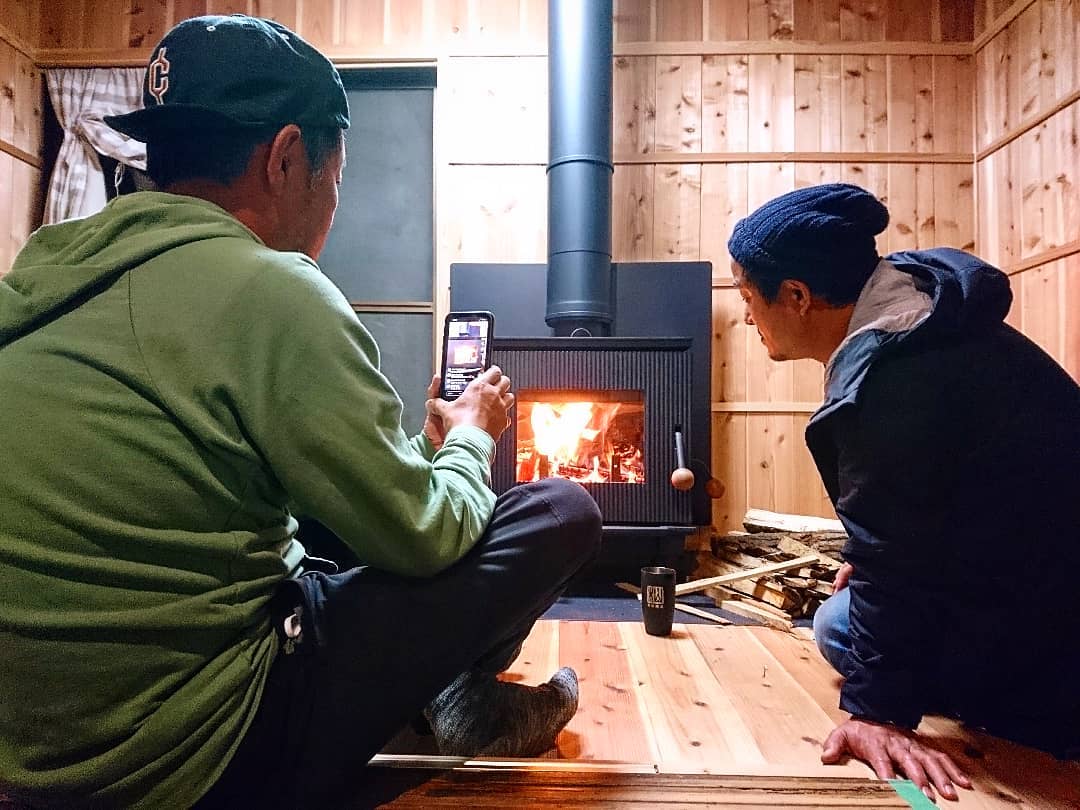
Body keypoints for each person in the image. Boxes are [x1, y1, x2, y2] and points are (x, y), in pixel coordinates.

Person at [0, 15, 601, 809]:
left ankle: (452, 691)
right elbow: (422, 539)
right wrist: (469, 439)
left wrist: (415, 456)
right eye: (338, 173)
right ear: (288, 159)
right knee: (560, 509)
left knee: (336, 516)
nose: (336, 198)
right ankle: (455, 707)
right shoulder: (273, 289)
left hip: (31, 750)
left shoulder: (45, 270)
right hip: (197, 756)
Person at [726, 183, 1080, 802]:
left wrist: (877, 716)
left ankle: (1028, 714)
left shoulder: (892, 380)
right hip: (1034, 581)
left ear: (798, 296)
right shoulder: (925, 325)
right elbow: (934, 505)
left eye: (747, 295)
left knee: (837, 626)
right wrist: (864, 559)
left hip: (1047, 630)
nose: (745, 315)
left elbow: (898, 558)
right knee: (854, 612)